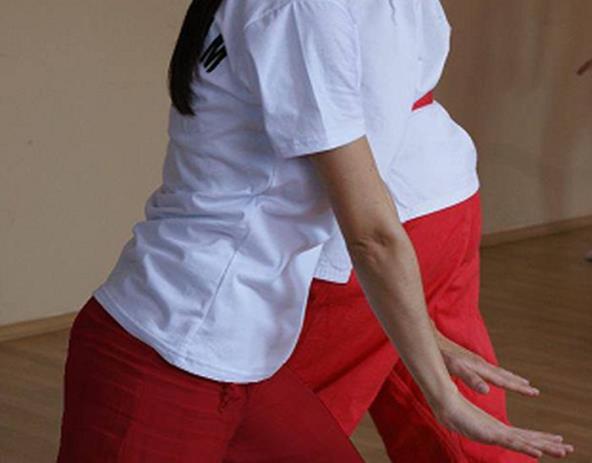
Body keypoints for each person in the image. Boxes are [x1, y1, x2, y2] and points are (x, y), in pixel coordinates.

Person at [56, 0, 574, 461]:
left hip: (250, 357)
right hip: (169, 349)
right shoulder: (301, 10)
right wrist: (443, 398)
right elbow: (371, 235)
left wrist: (427, 337)